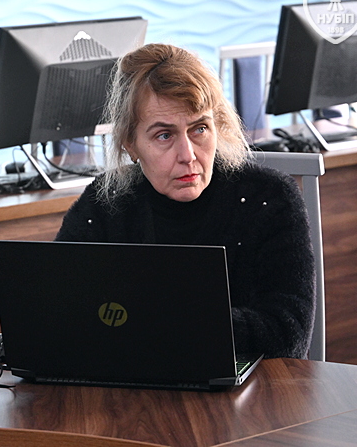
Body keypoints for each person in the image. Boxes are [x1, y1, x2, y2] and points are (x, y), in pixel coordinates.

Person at [56, 43, 316, 359]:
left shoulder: (269, 198)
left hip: (248, 387)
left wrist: (156, 322)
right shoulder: (105, 202)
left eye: (199, 129)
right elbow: (59, 312)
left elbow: (288, 334)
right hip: (133, 381)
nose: (188, 155)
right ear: (130, 144)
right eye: (164, 136)